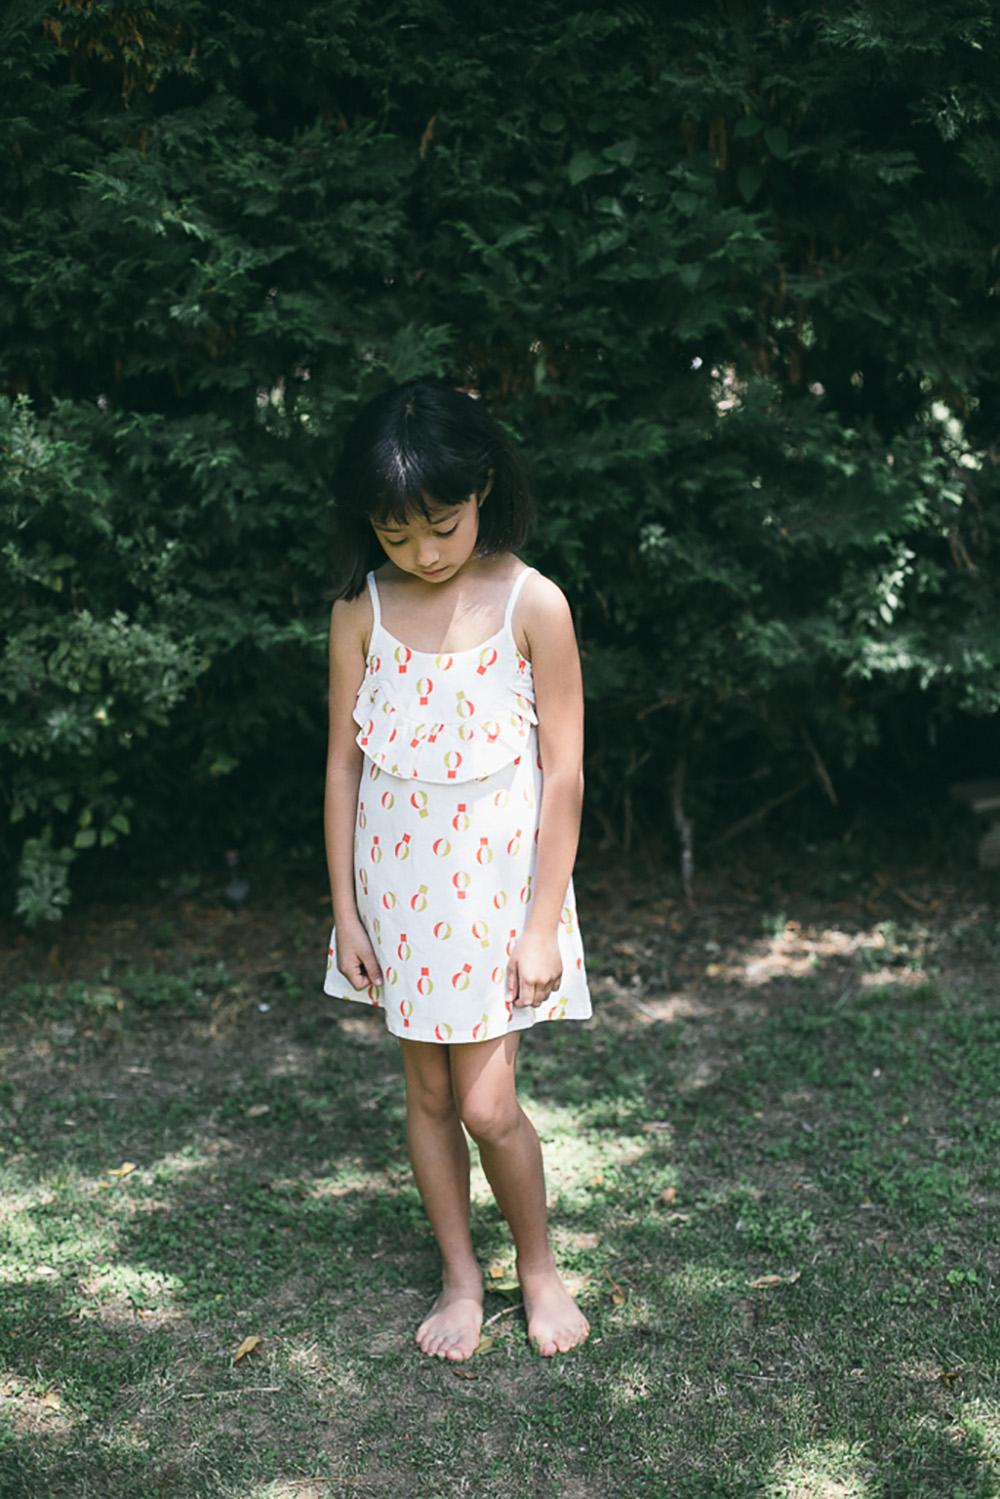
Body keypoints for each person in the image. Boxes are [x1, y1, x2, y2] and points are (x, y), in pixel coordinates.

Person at [323, 376, 593, 1361]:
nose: (422, 552)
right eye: (397, 534)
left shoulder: (536, 602)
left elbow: (563, 773)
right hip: (398, 897)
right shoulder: (362, 608)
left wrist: (540, 923)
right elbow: (343, 764)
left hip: (496, 899)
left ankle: (538, 1265)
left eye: (439, 525)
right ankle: (458, 1273)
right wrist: (345, 911)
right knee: (430, 1098)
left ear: (482, 485)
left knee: (486, 1101)